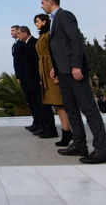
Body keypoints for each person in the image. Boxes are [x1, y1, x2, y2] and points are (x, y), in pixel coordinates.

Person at [40, 0, 106, 164]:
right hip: (63, 73)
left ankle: (102, 150)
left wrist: (76, 65)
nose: (41, 6)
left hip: (74, 71)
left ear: (50, 1)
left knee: (89, 110)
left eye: (42, 2)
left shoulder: (65, 15)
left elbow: (76, 40)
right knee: (71, 109)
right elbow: (59, 48)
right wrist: (55, 69)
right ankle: (79, 144)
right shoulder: (54, 20)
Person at [34, 14, 72, 146]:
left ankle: (67, 132)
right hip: (44, 70)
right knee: (56, 105)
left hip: (52, 69)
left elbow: (56, 52)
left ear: (45, 22)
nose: (36, 24)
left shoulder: (50, 33)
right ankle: (66, 131)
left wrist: (56, 70)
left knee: (60, 103)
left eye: (38, 21)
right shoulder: (42, 35)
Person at [14, 26, 57, 138]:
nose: (18, 35)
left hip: (36, 79)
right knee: (36, 104)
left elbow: (37, 63)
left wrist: (40, 78)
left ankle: (49, 128)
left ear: (25, 33)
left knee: (42, 105)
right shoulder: (27, 44)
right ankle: (42, 126)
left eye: (19, 33)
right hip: (30, 79)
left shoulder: (33, 42)